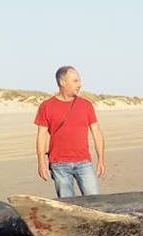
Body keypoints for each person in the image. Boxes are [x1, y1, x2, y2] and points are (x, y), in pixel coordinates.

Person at [34, 65, 106, 198]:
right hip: (59, 164)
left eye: (79, 81)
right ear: (62, 82)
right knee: (68, 205)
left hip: (84, 162)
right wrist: (41, 163)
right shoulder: (46, 106)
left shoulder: (86, 105)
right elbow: (41, 136)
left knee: (94, 201)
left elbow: (96, 132)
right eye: (75, 81)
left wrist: (101, 158)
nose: (79, 84)